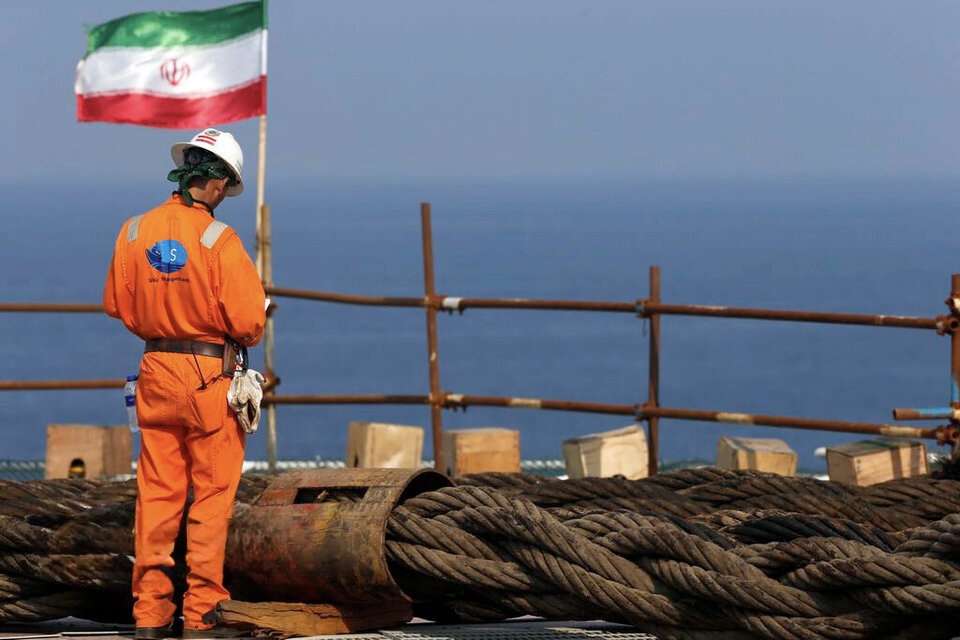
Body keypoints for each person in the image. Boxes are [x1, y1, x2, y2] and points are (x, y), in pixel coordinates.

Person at [103, 128, 266, 639]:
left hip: (155, 370)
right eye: (228, 187)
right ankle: (202, 613)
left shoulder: (134, 231)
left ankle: (150, 615)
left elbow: (117, 306)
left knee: (156, 496)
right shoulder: (220, 240)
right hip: (207, 377)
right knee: (211, 496)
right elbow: (249, 325)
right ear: (217, 183)